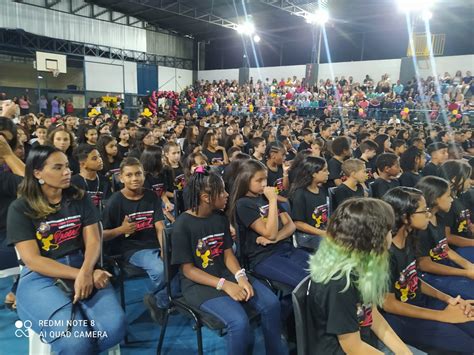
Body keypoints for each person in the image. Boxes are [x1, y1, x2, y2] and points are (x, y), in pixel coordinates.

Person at [6, 145, 125, 353]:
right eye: (58, 168)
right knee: (75, 341)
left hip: (84, 265)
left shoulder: (79, 197)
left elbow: (94, 240)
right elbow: (33, 260)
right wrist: (82, 275)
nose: (67, 172)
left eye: (67, 167)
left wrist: (87, 271)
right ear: (37, 173)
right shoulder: (20, 208)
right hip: (40, 277)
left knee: (114, 329)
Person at [171, 167, 285, 355]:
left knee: (271, 304)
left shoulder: (219, 218)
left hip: (225, 274)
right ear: (206, 197)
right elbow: (188, 271)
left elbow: (227, 254)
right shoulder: (182, 225)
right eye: (222, 191)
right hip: (198, 285)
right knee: (238, 322)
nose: (227, 195)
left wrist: (240, 277)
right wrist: (225, 285)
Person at [308, 198, 411, 354]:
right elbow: (352, 348)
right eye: (389, 231)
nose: (391, 235)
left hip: (365, 341)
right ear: (373, 238)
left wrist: (404, 352)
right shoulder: (340, 284)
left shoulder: (361, 265)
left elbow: (372, 314)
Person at [381, 187, 474, 353]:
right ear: (405, 217)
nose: (429, 215)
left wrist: (449, 300)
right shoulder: (386, 252)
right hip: (403, 317)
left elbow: (413, 279)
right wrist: (443, 316)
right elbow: (389, 304)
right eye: (424, 211)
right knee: (467, 347)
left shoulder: (409, 238)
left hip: (422, 302)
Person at [102, 157, 173, 323]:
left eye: (138, 174)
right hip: (131, 250)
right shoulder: (114, 202)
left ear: (144, 175)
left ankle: (157, 299)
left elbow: (159, 226)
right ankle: (161, 301)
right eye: (129, 175)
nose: (134, 178)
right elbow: (101, 234)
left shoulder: (151, 196)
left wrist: (164, 249)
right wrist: (121, 230)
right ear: (121, 178)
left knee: (182, 261)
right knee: (160, 270)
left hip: (154, 245)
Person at [229, 160, 309, 287]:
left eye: (265, 179)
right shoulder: (244, 204)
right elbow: (270, 233)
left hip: (285, 248)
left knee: (321, 271)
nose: (264, 184)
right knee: (306, 282)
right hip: (263, 257)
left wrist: (275, 239)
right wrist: (272, 200)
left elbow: (290, 225)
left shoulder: (264, 196)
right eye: (259, 180)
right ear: (245, 180)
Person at [415, 176, 474, 300]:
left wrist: (469, 267)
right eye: (448, 196)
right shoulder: (422, 227)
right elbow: (425, 265)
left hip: (444, 265)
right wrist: (465, 272)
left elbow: (445, 249)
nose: (452, 199)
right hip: (430, 275)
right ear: (435, 198)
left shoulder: (439, 217)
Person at [0, 117, 24, 309]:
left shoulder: (7, 173)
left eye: (6, 141)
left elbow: (37, 186)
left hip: (8, 237)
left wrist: (8, 155)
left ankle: (19, 289)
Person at [290, 156, 329, 250]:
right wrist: (324, 233)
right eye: (324, 170)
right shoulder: (299, 193)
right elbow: (298, 223)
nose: (328, 173)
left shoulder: (322, 190)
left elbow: (326, 216)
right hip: (307, 238)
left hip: (321, 232)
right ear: (314, 173)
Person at [71, 144, 109, 211]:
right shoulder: (73, 183)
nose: (100, 160)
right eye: (94, 159)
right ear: (83, 164)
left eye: (99, 156)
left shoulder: (105, 180)